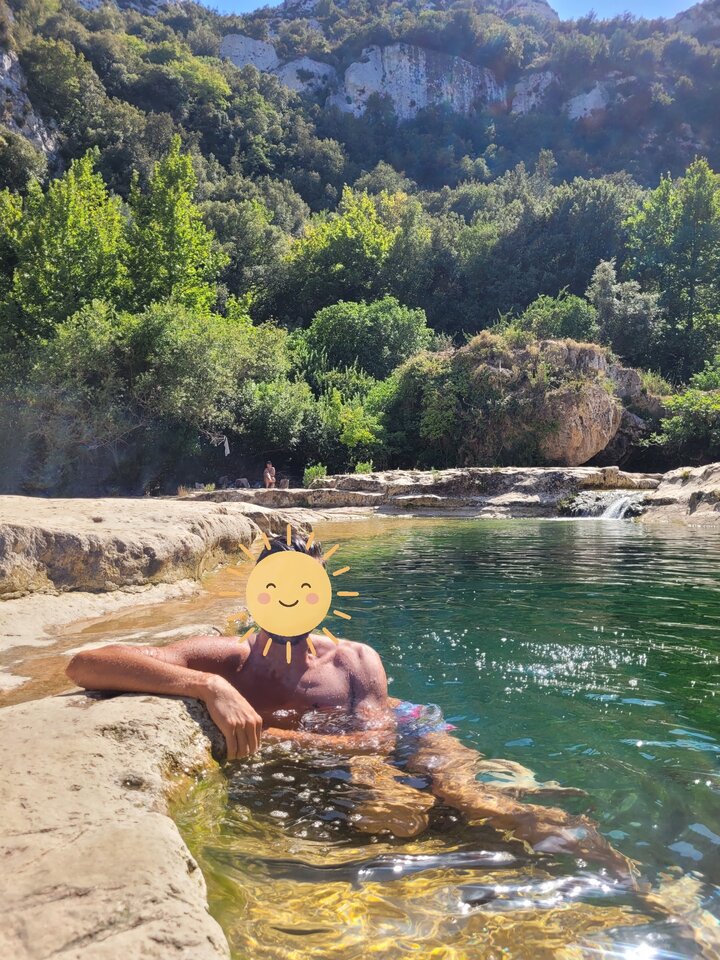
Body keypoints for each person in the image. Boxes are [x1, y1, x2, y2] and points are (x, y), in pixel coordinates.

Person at [66, 535, 632, 876]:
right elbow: (86, 664)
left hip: (406, 726)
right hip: (346, 739)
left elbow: (377, 742)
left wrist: (269, 736)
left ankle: (603, 859)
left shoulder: (353, 660)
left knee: (472, 798)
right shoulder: (227, 660)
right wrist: (209, 688)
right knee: (397, 819)